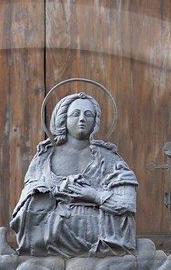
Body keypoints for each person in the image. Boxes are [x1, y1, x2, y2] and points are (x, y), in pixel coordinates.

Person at [9, 92, 138, 256]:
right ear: (64, 118)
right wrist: (57, 190)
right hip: (52, 227)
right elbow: (28, 194)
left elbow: (127, 203)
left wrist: (94, 195)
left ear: (95, 121)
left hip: (96, 229)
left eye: (88, 114)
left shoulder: (109, 159)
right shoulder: (45, 156)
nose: (82, 119)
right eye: (76, 114)